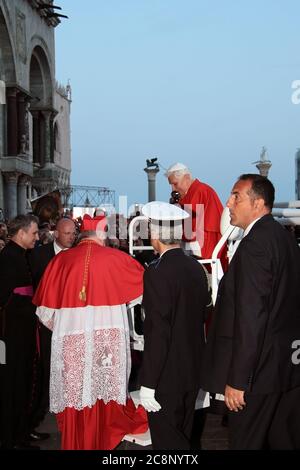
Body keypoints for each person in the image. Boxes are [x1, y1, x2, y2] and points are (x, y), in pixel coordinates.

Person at [201, 174, 300, 449]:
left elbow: (250, 317)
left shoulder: (255, 244)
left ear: (258, 204)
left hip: (258, 377)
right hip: (286, 369)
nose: (228, 203)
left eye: (236, 196)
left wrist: (238, 380)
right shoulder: (285, 238)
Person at [32, 215, 147, 450]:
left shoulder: (60, 261)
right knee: (105, 387)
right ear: (101, 235)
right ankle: (105, 436)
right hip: (107, 341)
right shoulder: (117, 259)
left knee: (76, 392)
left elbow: (44, 312)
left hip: (71, 340)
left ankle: (77, 440)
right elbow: (141, 294)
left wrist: (65, 329)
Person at [139, 201, 210, 450]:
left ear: (155, 233)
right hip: (192, 368)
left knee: (169, 443)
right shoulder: (196, 268)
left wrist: (148, 383)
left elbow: (159, 331)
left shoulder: (156, 271)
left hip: (166, 374)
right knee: (184, 434)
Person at [28, 217, 77, 440]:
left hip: (71, 323)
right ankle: (37, 415)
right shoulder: (38, 255)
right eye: (67, 233)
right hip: (45, 323)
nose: (72, 237)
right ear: (56, 233)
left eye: (74, 233)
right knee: (46, 368)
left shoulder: (77, 255)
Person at [0, 215, 39, 449]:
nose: (37, 237)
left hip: (19, 334)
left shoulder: (19, 256)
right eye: (33, 233)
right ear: (21, 233)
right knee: (9, 385)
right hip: (9, 336)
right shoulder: (7, 258)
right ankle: (10, 438)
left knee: (20, 383)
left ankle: (20, 433)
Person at [165, 163, 224, 261]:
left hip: (203, 242)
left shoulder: (199, 191)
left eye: (175, 184)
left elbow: (191, 227)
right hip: (194, 240)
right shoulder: (191, 192)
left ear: (186, 177)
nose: (173, 189)